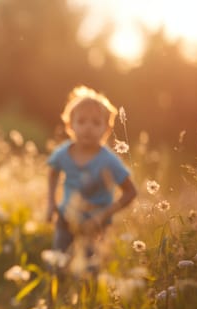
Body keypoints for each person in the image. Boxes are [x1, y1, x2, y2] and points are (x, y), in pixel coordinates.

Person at [45, 85, 137, 273]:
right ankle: (55, 296)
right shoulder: (63, 153)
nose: (88, 127)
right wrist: (50, 203)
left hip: (96, 223)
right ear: (70, 126)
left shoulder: (109, 160)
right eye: (82, 121)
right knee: (58, 263)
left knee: (90, 270)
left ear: (107, 128)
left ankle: (87, 299)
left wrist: (103, 215)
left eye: (96, 123)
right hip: (66, 218)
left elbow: (130, 192)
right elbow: (53, 171)